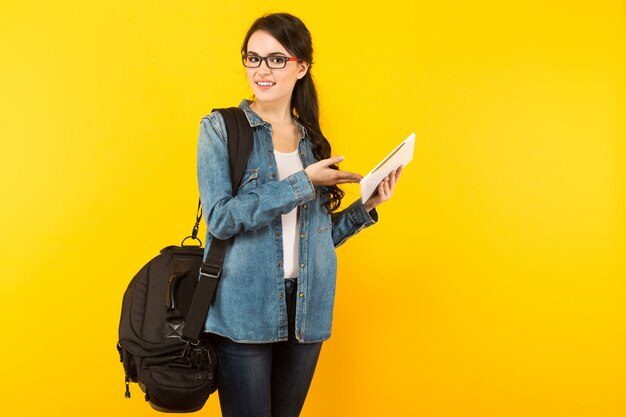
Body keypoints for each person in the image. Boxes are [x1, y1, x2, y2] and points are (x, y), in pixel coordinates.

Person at [196, 12, 402, 417]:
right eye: (253, 58)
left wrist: (367, 206)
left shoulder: (310, 139)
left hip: (307, 310)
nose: (261, 70)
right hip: (244, 310)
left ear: (301, 66)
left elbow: (315, 237)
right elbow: (220, 218)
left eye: (276, 58)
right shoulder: (221, 128)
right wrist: (301, 183)